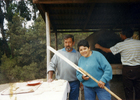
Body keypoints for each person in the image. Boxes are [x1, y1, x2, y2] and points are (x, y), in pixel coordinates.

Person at [95, 28, 140, 100]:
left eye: (121, 34)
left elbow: (107, 51)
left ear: (124, 35)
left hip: (127, 70)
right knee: (138, 90)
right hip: (138, 69)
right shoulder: (138, 43)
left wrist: (99, 46)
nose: (120, 35)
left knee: (129, 90)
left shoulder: (121, 45)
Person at [47, 34, 81, 100]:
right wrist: (49, 78)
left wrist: (81, 82)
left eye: (69, 42)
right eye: (65, 42)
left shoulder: (78, 55)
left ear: (73, 43)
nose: (67, 44)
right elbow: (52, 65)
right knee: (61, 98)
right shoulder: (58, 53)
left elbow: (81, 69)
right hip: (61, 82)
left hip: (74, 82)